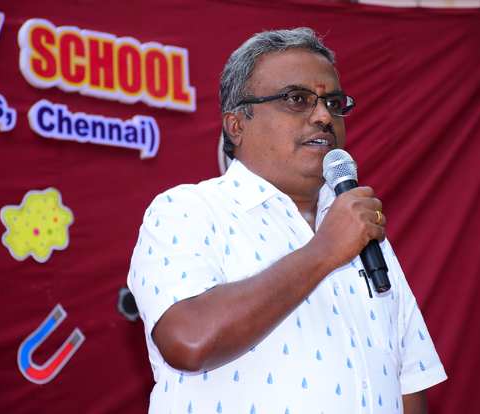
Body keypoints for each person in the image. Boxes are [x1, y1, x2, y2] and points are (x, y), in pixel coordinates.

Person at [128, 27, 446, 414]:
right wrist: (325, 250)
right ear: (237, 125)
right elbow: (188, 341)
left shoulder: (361, 229)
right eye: (297, 99)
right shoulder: (186, 210)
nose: (323, 116)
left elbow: (408, 382)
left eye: (333, 103)